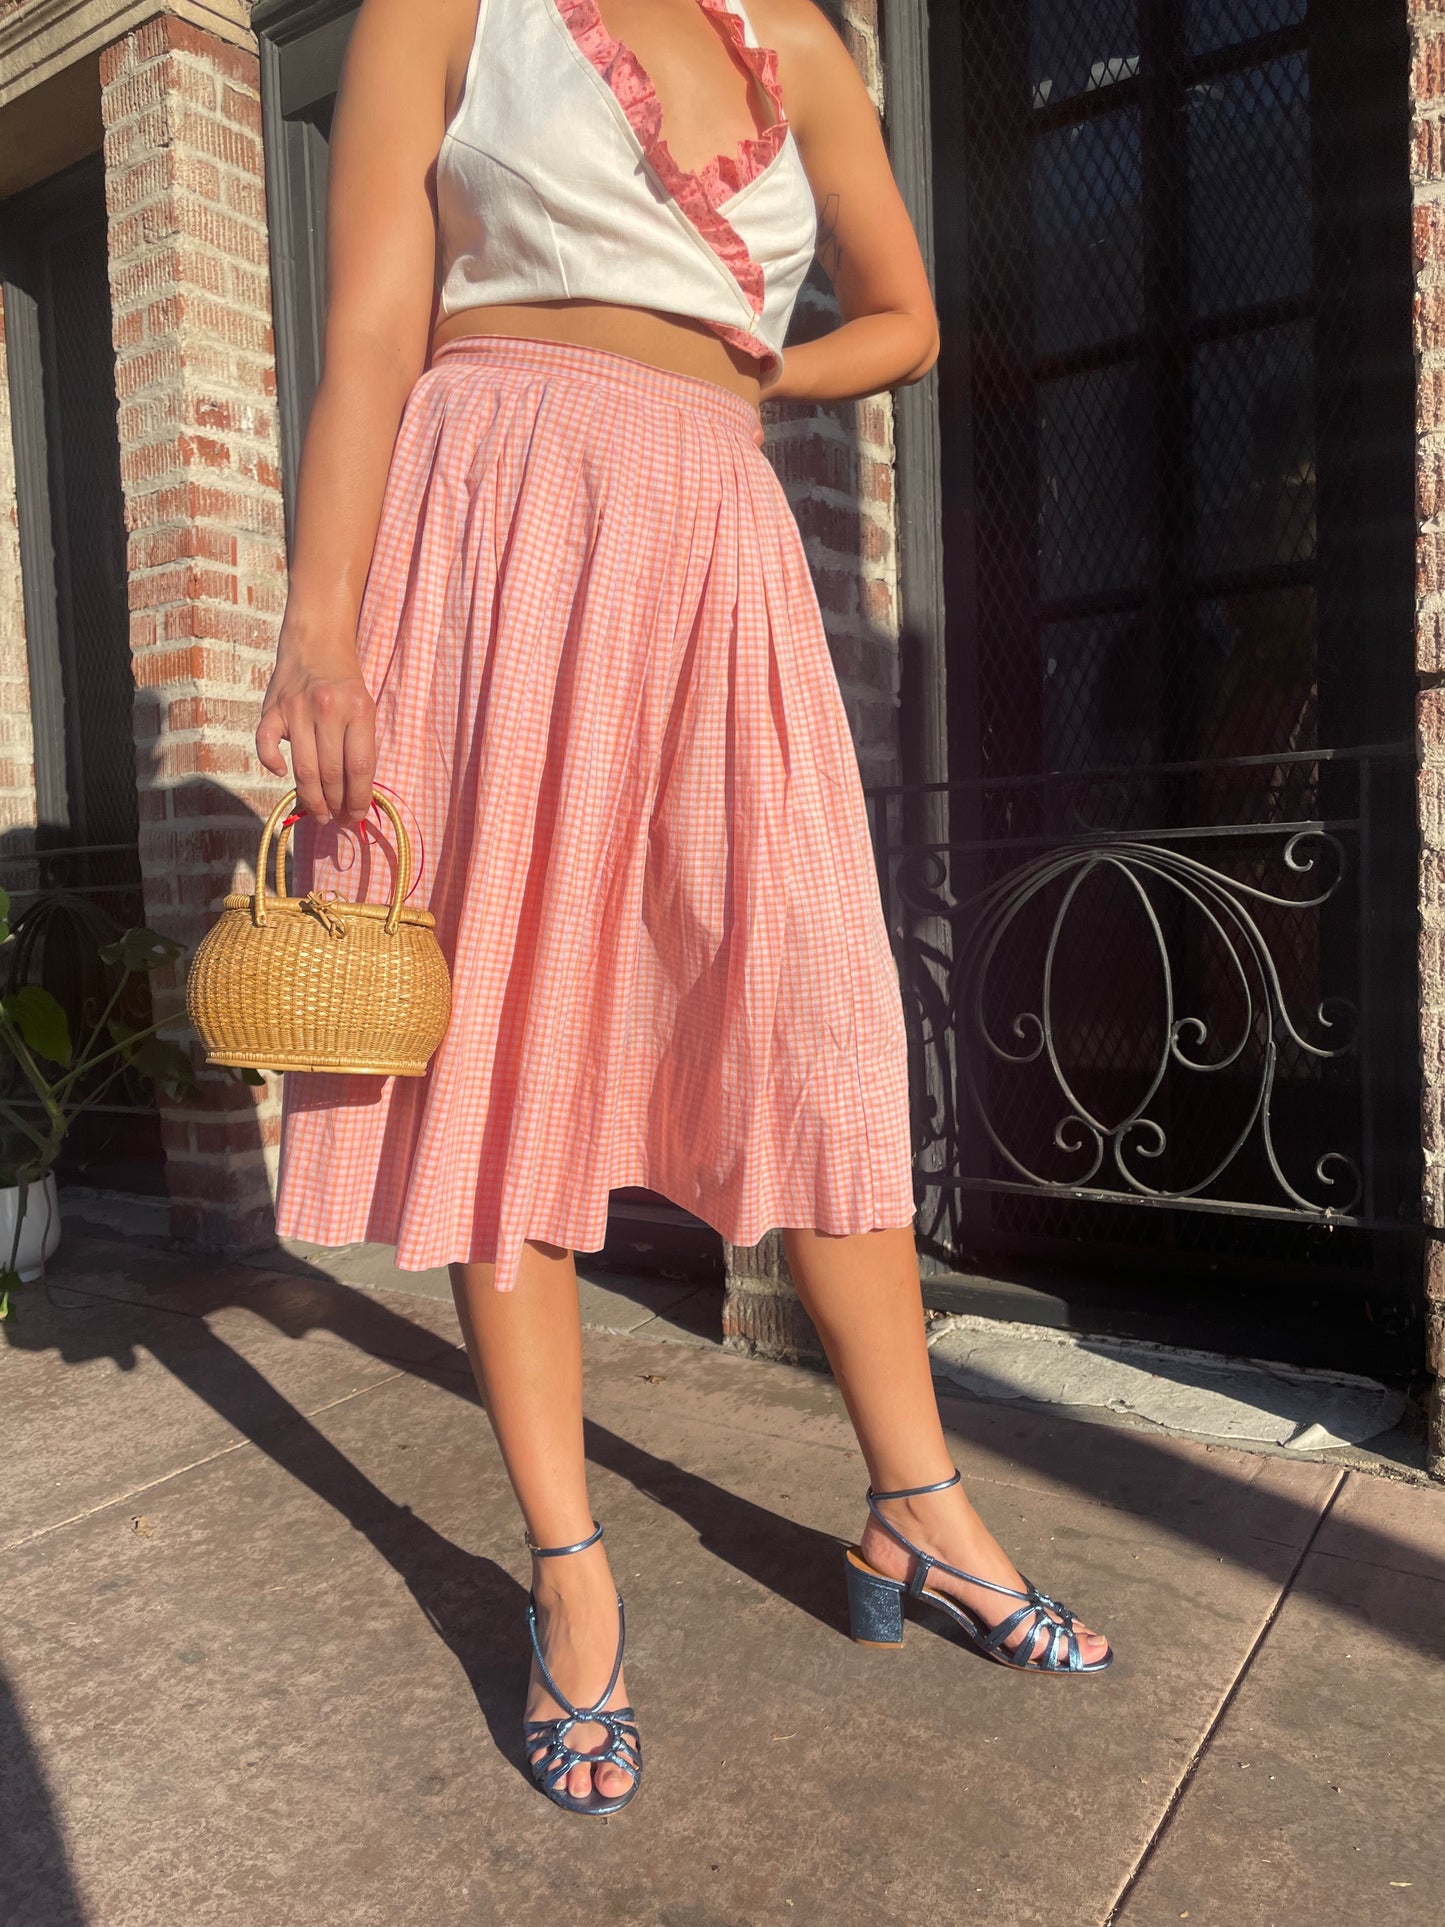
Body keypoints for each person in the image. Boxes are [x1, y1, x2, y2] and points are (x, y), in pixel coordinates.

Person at [255, 0, 1112, 1819]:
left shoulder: (802, 40)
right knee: (509, 1041)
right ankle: (570, 1576)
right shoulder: (446, 7)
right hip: (497, 520)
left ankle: (914, 1498)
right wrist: (320, 627)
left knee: (816, 1013)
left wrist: (748, 376)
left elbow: (905, 316)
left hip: (717, 528)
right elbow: (371, 331)